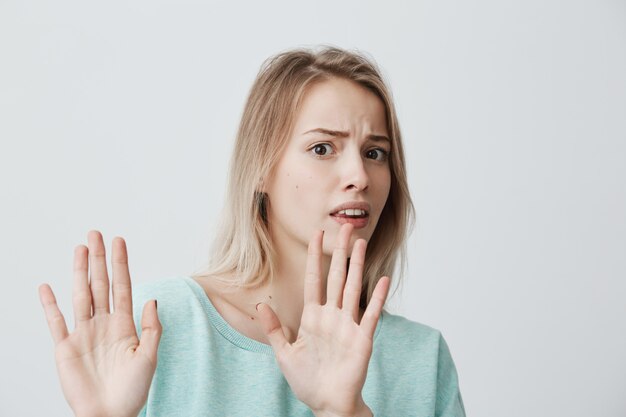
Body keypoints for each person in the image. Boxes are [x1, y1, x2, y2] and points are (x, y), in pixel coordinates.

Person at [39, 46, 466, 417]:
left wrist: (344, 412)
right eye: (322, 148)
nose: (360, 175)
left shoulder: (421, 359)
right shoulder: (158, 326)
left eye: (375, 152)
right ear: (261, 168)